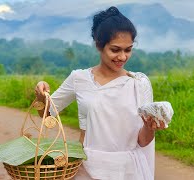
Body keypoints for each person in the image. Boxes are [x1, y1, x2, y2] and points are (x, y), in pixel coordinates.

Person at [35, 6, 167, 180]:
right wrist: (40, 95)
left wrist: (151, 128)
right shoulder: (79, 79)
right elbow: (47, 115)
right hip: (87, 169)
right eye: (115, 49)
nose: (122, 57)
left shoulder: (139, 84)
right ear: (99, 45)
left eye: (128, 50)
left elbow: (142, 141)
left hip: (127, 170)